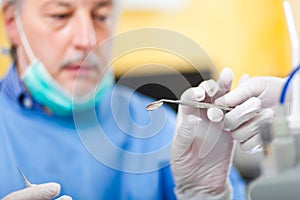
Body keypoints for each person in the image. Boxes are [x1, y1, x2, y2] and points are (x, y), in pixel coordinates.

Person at [0, 0, 273, 199]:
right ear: (13, 22)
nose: (87, 39)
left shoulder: (161, 127)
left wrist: (208, 196)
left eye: (102, 15)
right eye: (60, 15)